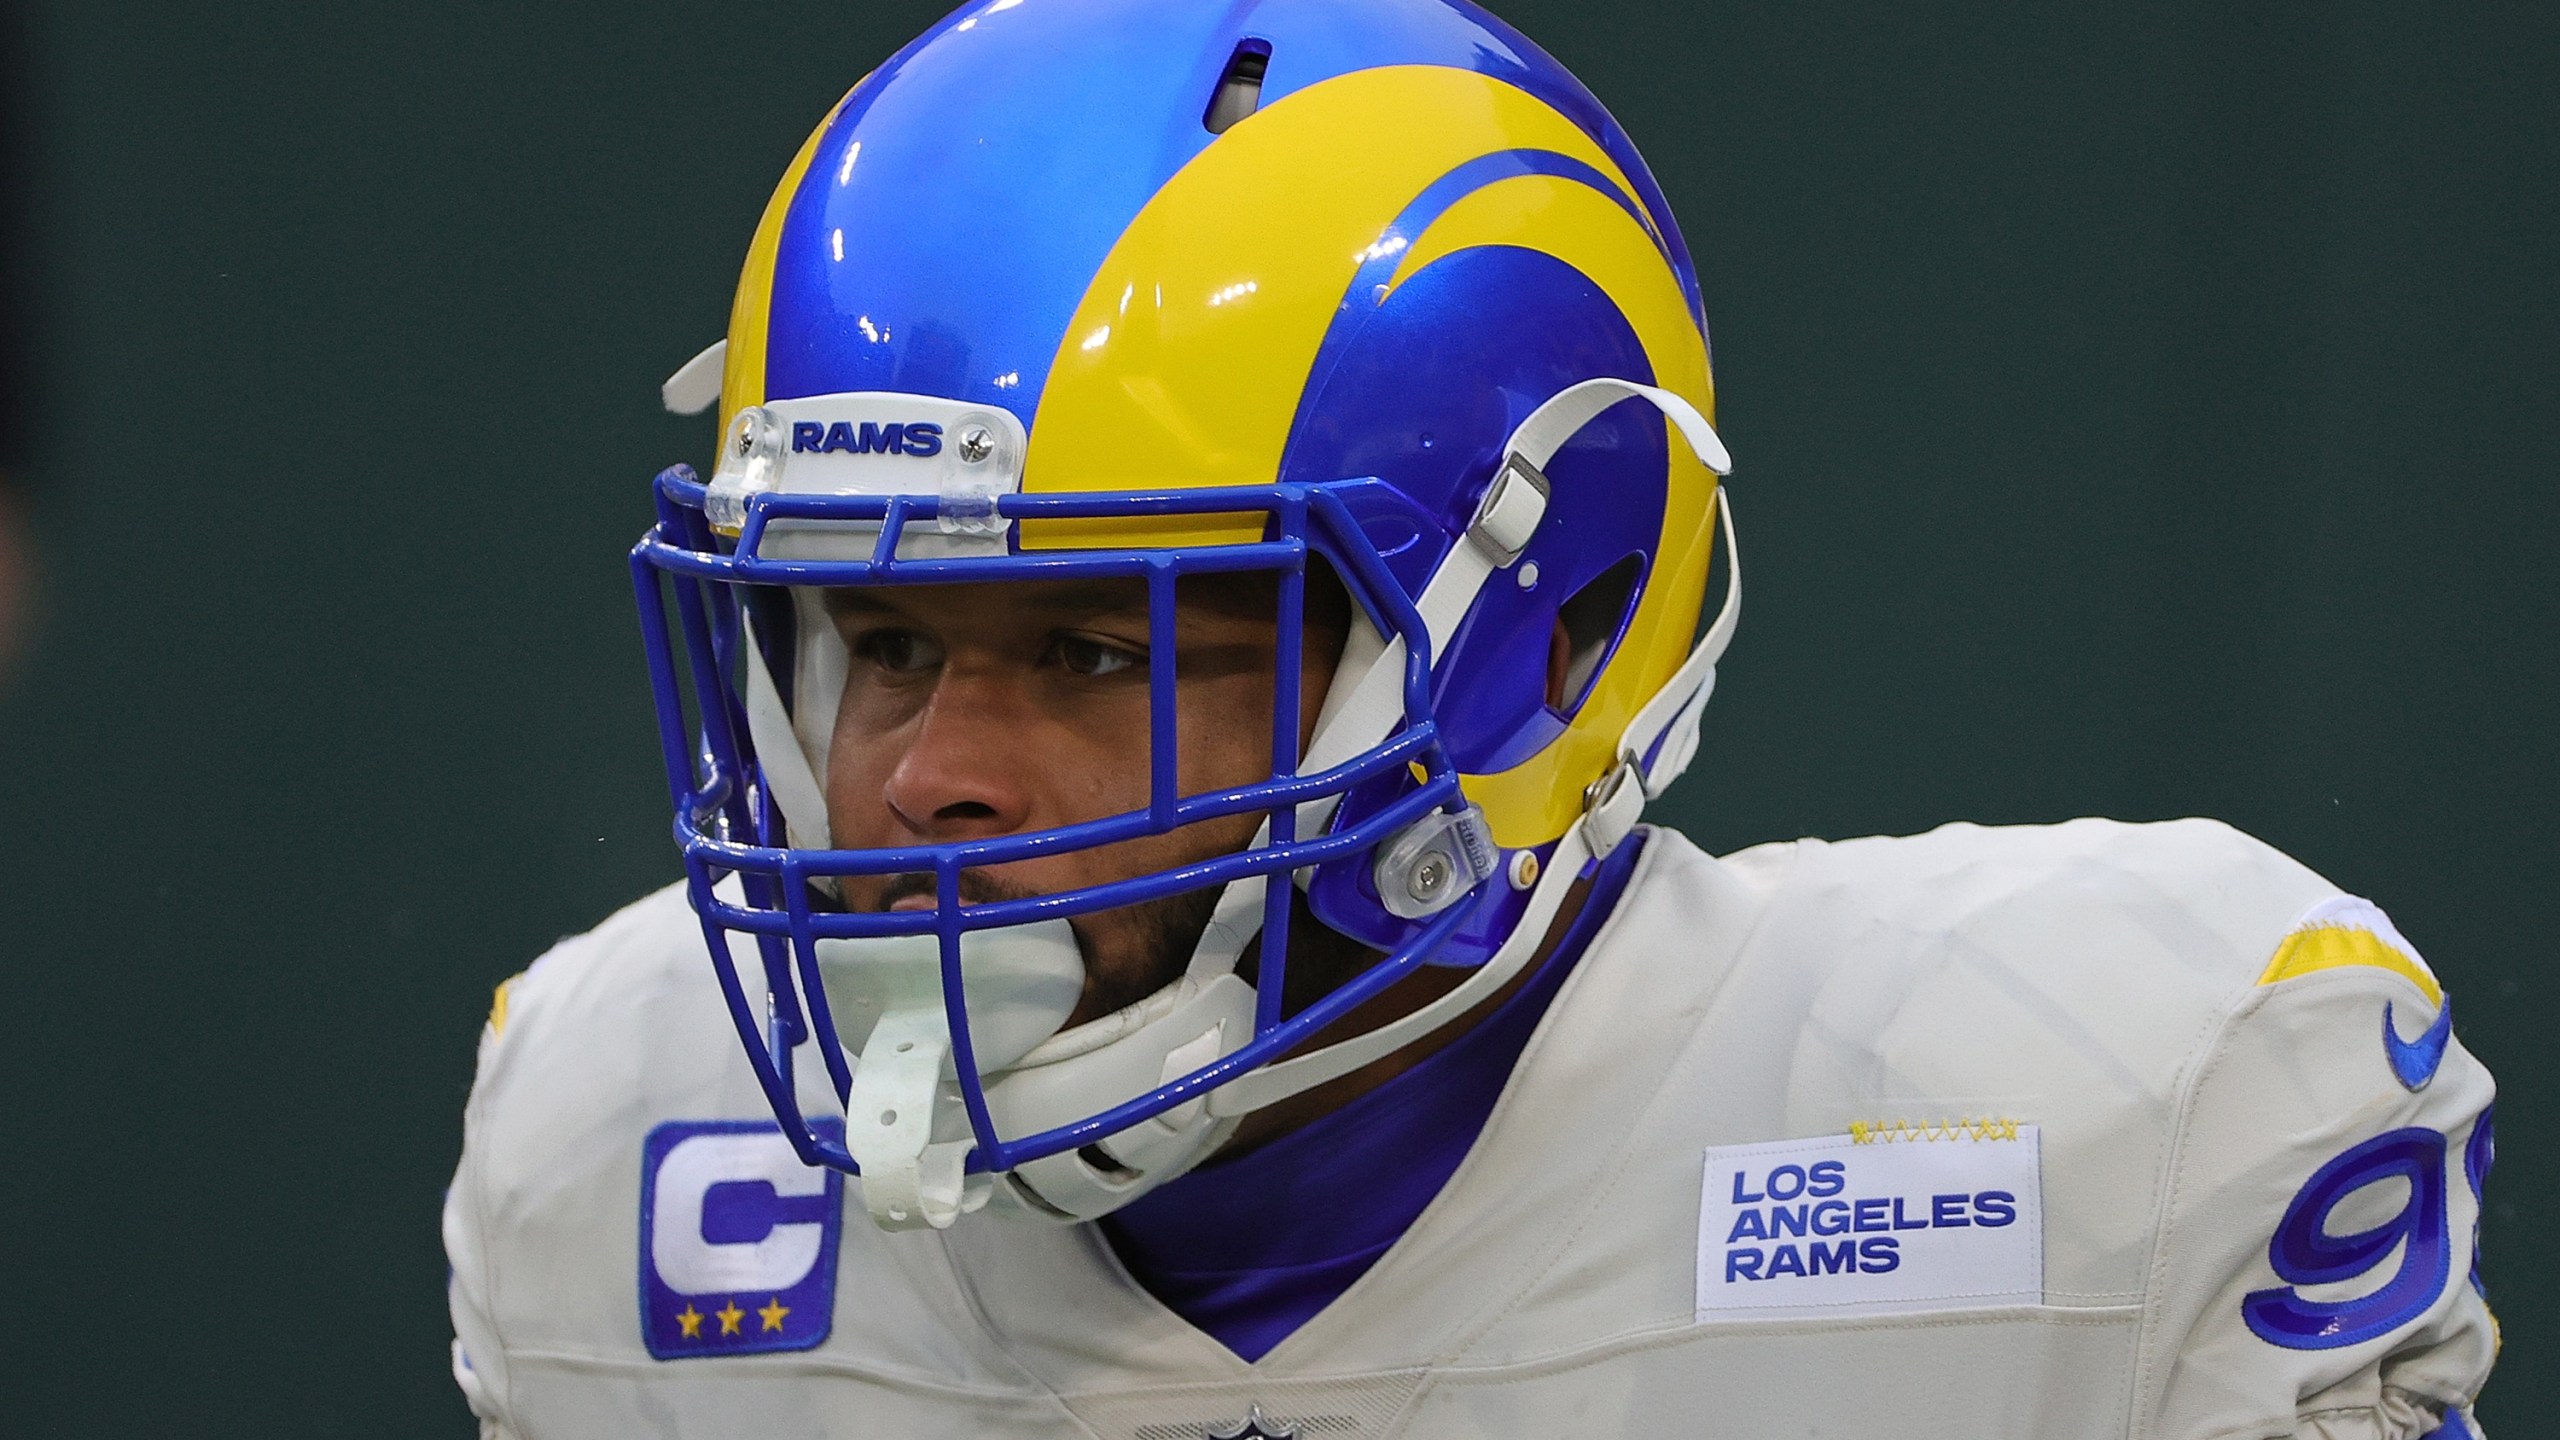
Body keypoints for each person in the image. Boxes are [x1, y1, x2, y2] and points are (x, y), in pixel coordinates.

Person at [444, 1, 2497, 1435]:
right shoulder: (616, 1144)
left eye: (1090, 651)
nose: (918, 777)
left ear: (1548, 640)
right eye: (880, 643)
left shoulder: (2103, 1113)